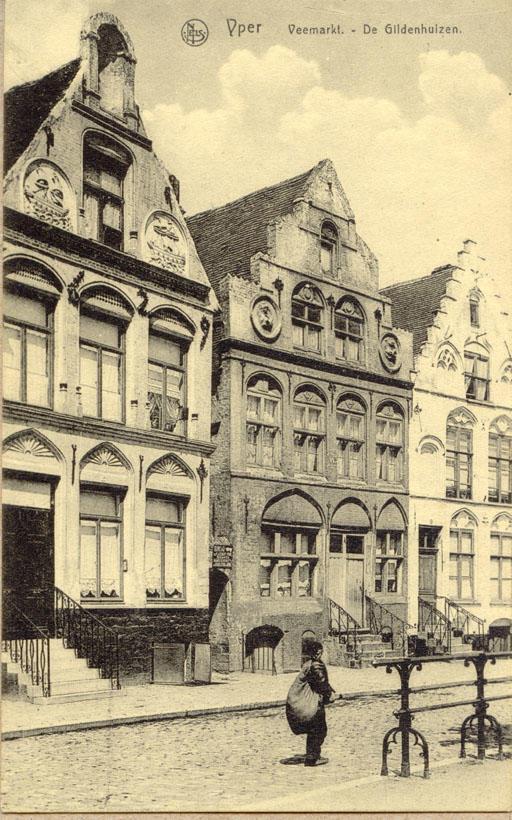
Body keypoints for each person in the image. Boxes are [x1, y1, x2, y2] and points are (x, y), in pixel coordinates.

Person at [286, 640, 336, 766]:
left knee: (314, 729)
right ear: (318, 652)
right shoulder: (316, 665)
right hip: (312, 703)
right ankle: (312, 758)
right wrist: (330, 695)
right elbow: (322, 682)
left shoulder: (309, 664)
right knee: (320, 729)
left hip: (310, 701)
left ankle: (312, 755)